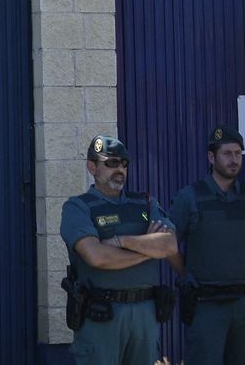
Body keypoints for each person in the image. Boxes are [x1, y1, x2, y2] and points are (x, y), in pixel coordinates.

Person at [59, 135, 178, 365]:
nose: (120, 169)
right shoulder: (79, 207)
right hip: (101, 314)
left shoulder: (145, 203)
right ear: (92, 166)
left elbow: (169, 245)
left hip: (145, 314)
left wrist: (121, 241)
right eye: (111, 163)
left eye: (124, 164)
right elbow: (96, 256)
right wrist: (148, 248)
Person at [169, 126, 245, 365]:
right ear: (212, 157)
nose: (234, 160)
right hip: (206, 306)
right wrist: (189, 272)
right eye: (227, 154)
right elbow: (168, 246)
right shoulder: (189, 197)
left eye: (238, 153)